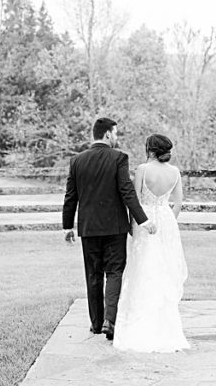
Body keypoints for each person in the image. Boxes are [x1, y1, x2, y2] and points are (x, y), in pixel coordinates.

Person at [63, 117, 153, 340]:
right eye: (115, 133)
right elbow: (126, 191)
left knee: (93, 274)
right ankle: (109, 321)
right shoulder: (119, 157)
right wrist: (143, 220)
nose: (116, 137)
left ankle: (95, 324)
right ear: (106, 135)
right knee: (114, 272)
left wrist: (67, 226)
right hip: (114, 228)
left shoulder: (77, 161)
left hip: (88, 228)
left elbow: (70, 196)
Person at [113, 133, 189, 353]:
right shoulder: (174, 172)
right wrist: (168, 222)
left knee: (143, 267)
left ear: (150, 149)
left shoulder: (143, 169)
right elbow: (178, 203)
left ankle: (141, 322)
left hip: (143, 221)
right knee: (164, 267)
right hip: (166, 220)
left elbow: (133, 200)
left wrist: (132, 224)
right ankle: (165, 324)